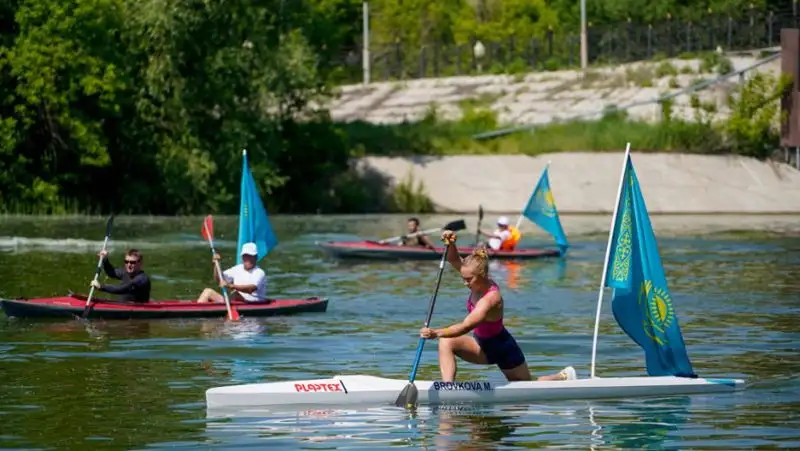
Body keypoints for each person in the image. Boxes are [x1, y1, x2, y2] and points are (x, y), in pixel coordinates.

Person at [419, 230, 576, 382]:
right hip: (481, 344)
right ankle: (448, 388)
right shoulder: (473, 275)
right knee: (446, 341)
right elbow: (453, 260)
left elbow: (467, 326)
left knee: (527, 385)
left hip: (502, 349)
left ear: (483, 276)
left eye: (469, 280)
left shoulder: (491, 298)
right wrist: (451, 243)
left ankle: (563, 377)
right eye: (464, 278)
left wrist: (436, 332)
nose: (465, 283)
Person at [196, 242, 266, 304]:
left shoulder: (260, 273)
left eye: (251, 256)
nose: (248, 259)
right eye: (246, 256)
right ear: (242, 257)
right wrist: (217, 265)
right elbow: (218, 279)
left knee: (234, 294)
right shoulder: (237, 269)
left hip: (252, 304)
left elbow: (250, 289)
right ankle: (197, 312)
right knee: (208, 291)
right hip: (235, 301)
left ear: (256, 257)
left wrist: (230, 286)